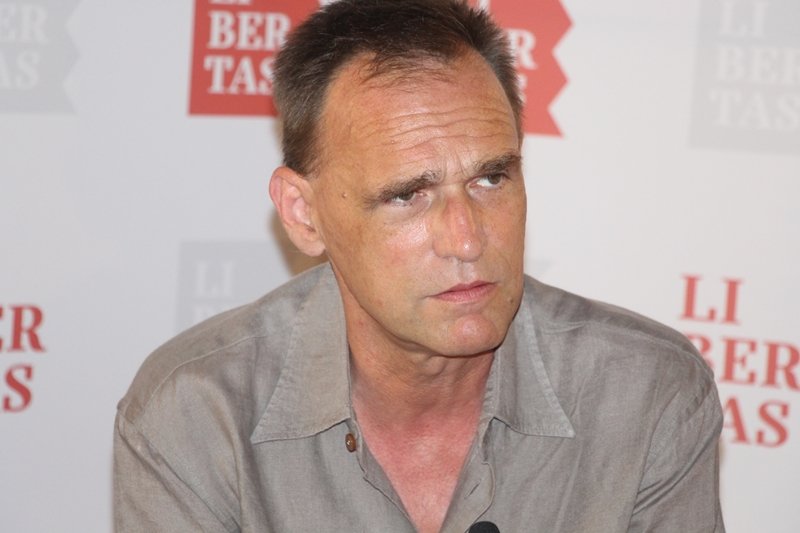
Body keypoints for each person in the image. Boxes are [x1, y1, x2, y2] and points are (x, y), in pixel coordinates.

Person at [113, 1, 725, 532]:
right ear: (304, 214)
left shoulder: (645, 394)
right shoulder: (196, 413)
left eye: (492, 178)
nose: (467, 239)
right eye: (408, 194)